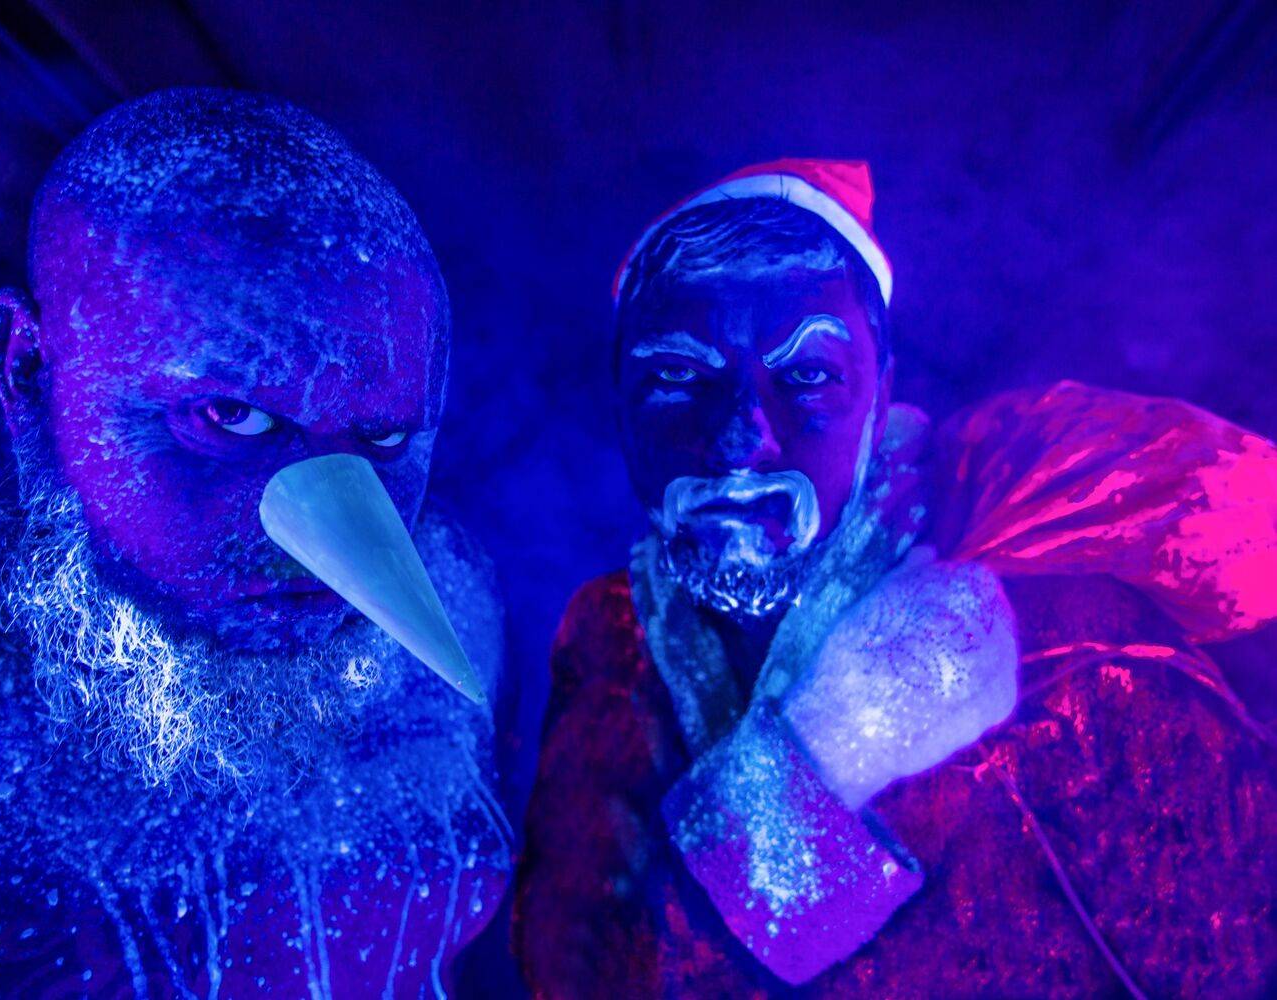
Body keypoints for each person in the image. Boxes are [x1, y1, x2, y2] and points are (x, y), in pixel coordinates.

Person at [0, 88, 510, 997]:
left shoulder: (453, 597)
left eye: (384, 438)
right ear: (27, 368)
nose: (329, 544)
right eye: (231, 416)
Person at [513, 159, 1277, 997]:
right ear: (620, 405)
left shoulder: (1079, 651)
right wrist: (823, 751)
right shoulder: (612, 634)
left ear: (880, 399)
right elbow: (573, 968)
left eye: (807, 376)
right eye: (677, 378)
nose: (739, 439)